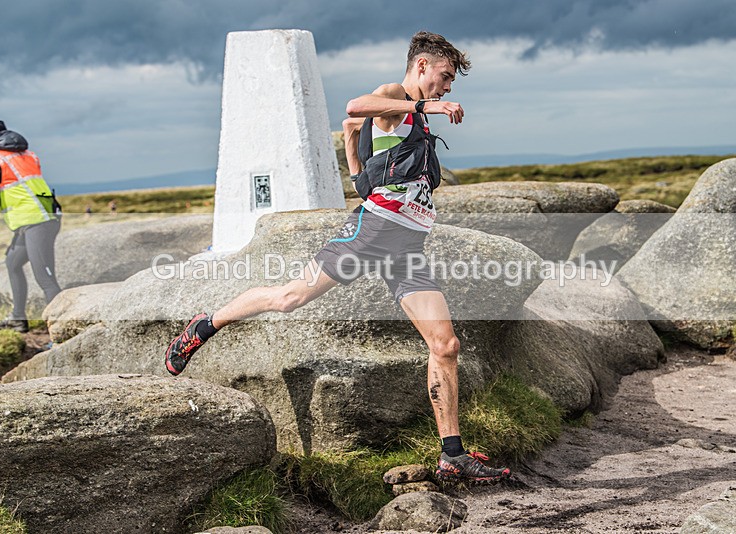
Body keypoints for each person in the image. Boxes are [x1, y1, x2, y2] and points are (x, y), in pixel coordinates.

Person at [164, 31, 510, 484]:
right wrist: (426, 106)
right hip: (372, 233)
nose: (448, 88)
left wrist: (356, 176)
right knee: (291, 297)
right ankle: (205, 324)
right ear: (421, 66)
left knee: (445, 345)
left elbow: (351, 132)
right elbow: (353, 110)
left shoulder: (413, 118)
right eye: (445, 77)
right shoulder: (396, 97)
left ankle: (452, 456)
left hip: (406, 246)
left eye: (450, 84)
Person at [0, 119, 62, 333]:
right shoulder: (27, 154)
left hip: (36, 222)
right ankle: (18, 318)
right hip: (42, 218)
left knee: (45, 279)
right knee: (13, 263)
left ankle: (61, 332)